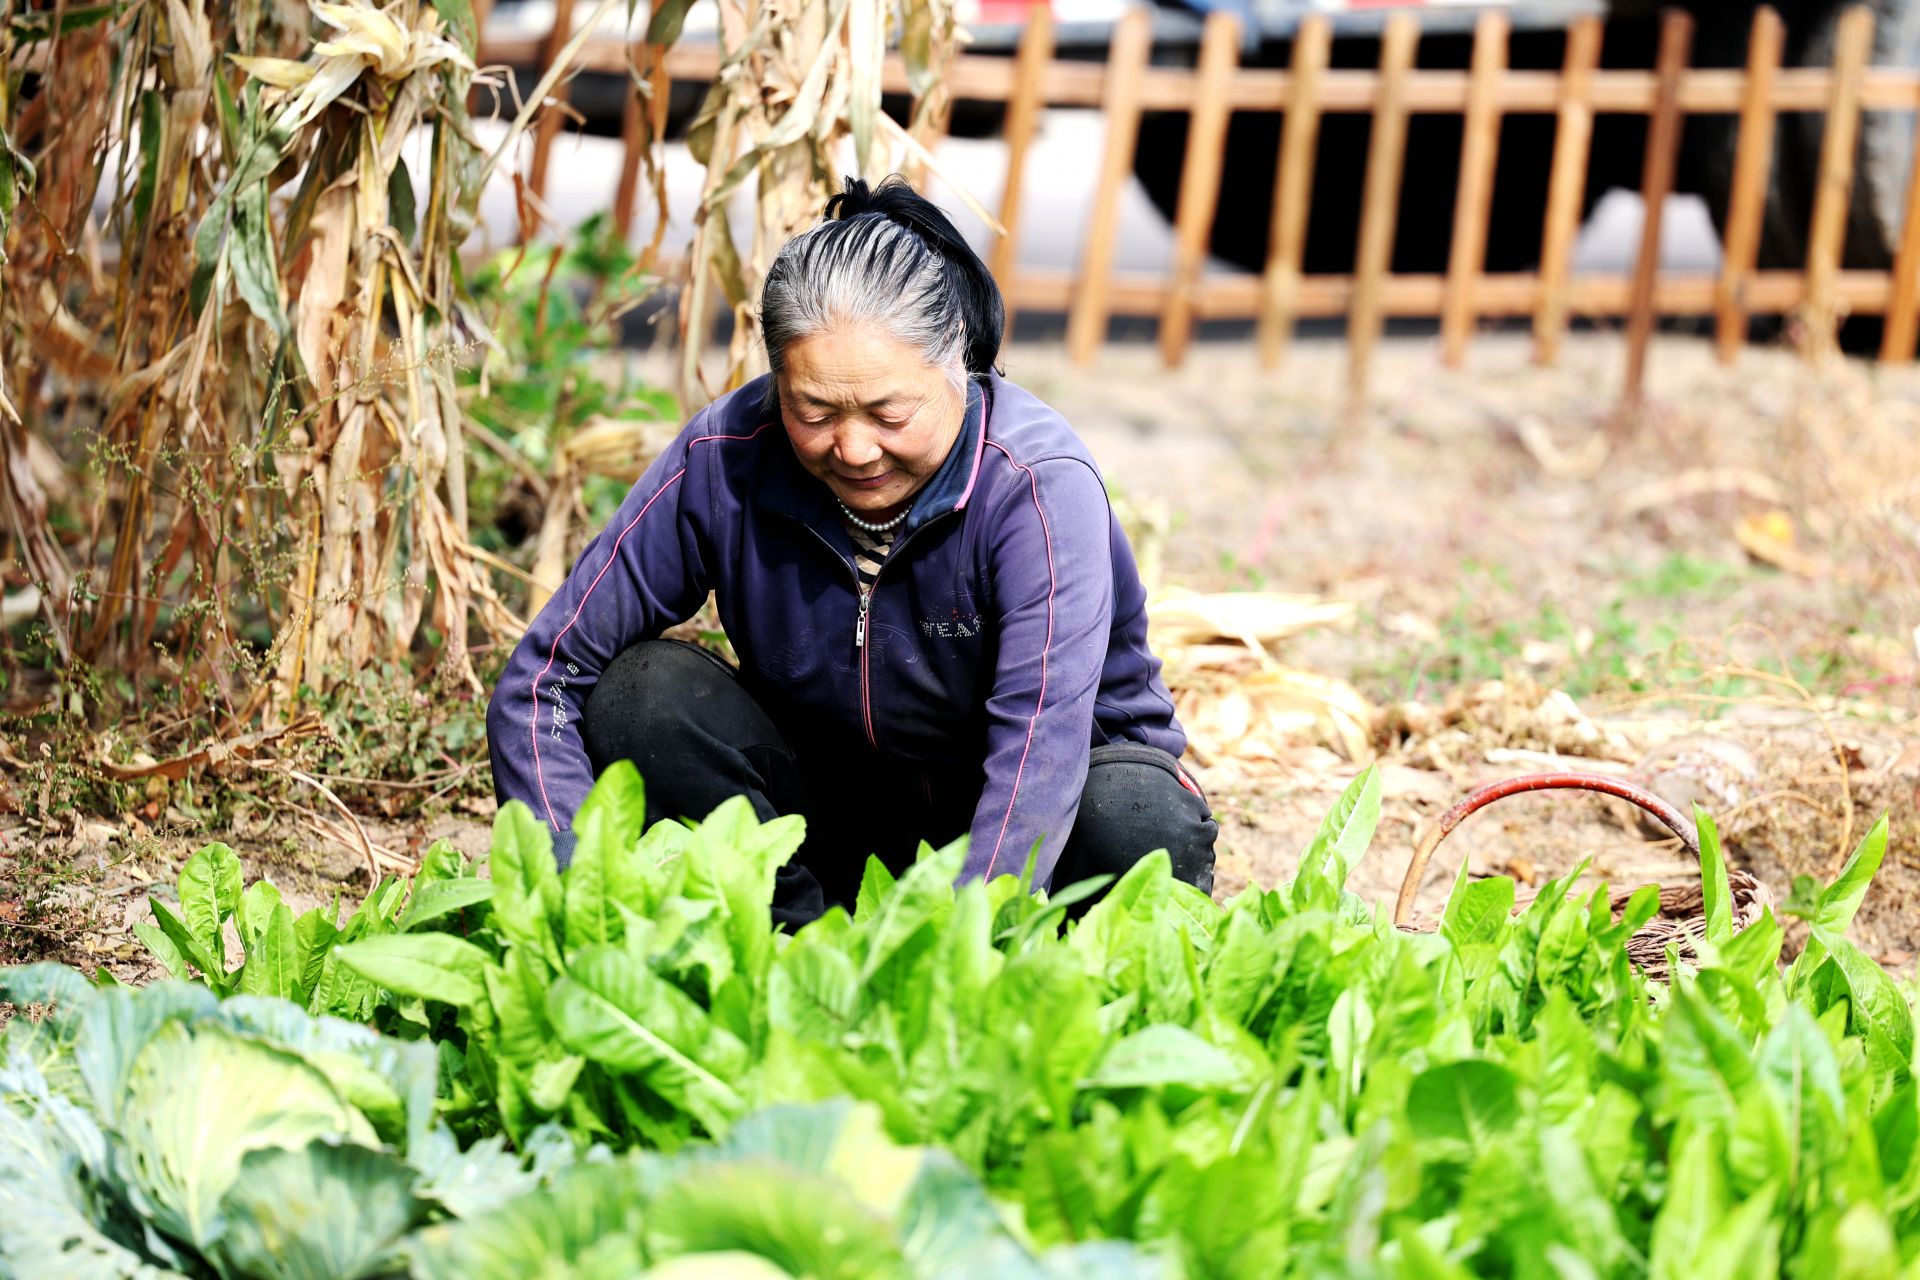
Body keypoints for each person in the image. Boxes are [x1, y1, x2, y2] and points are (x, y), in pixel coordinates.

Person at [485, 175, 1215, 928]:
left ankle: (1041, 968)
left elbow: (1040, 753)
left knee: (1133, 815)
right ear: (778, 382)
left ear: (959, 363)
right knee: (643, 696)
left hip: (1042, 830)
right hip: (836, 825)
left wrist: (953, 957)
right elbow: (543, 678)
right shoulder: (724, 456)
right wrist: (569, 887)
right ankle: (793, 945)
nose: (856, 448)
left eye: (889, 412)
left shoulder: (1034, 488)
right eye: (816, 411)